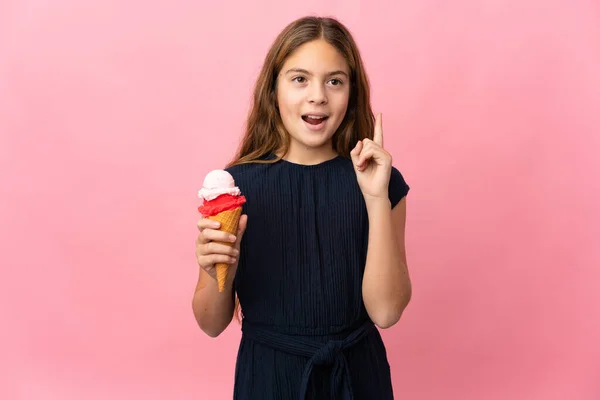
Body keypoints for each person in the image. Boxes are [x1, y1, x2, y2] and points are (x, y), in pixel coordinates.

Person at [193, 15, 411, 399]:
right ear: (273, 89)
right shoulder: (237, 187)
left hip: (357, 378)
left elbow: (387, 312)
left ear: (351, 92)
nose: (318, 96)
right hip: (268, 378)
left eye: (334, 81)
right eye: (299, 79)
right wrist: (213, 270)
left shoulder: (380, 181)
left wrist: (376, 199)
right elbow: (211, 324)